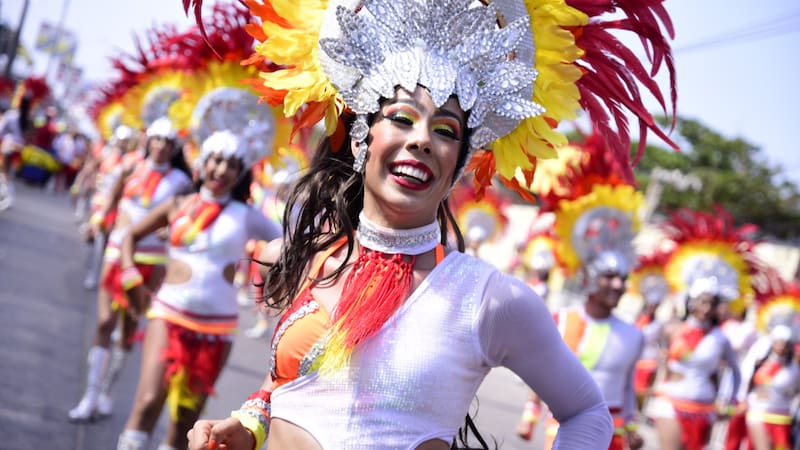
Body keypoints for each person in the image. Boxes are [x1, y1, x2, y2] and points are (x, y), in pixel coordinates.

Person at [181, 0, 677, 448]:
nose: (421, 140)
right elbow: (284, 389)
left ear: (458, 162)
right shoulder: (319, 259)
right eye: (401, 118)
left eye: (444, 130)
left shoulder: (489, 300)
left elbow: (587, 413)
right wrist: (246, 426)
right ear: (360, 140)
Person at [115, 130, 282, 450]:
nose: (221, 170)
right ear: (203, 163)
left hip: (215, 328)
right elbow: (129, 237)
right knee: (148, 402)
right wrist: (129, 276)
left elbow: (287, 244)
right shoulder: (176, 204)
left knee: (184, 423)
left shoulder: (246, 216)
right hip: (168, 313)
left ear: (240, 172)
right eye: (216, 160)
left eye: (231, 164)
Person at [514, 137, 647, 449]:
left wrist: (631, 426)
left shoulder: (633, 335)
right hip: (565, 430)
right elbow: (544, 375)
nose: (617, 285)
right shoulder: (561, 320)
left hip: (612, 437)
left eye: (622, 278)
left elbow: (627, 386)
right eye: (609, 277)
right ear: (589, 278)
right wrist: (530, 415)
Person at [68, 117, 193, 422]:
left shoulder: (181, 180)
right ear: (148, 140)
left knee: (127, 330)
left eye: (168, 142)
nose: (161, 147)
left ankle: (108, 390)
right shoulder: (129, 166)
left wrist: (172, 230)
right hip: (115, 252)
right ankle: (91, 394)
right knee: (103, 322)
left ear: (174, 147)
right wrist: (96, 223)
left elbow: (184, 217)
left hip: (151, 262)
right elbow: (110, 201)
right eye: (157, 139)